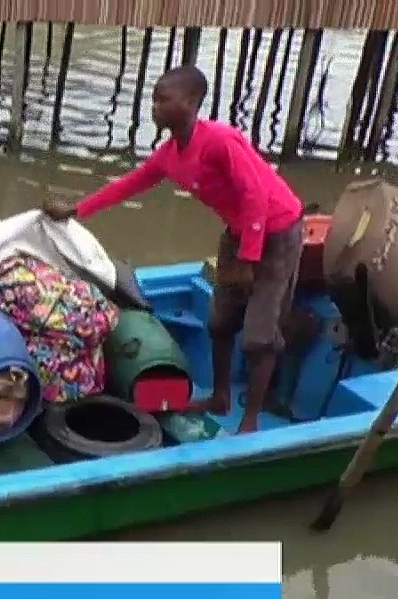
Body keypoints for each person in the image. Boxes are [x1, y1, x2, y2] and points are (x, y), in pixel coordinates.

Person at [40, 65, 304, 434]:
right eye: (154, 98)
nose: (155, 107)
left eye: (164, 99)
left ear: (191, 102)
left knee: (259, 337)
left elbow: (255, 196)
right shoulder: (171, 154)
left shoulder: (221, 141)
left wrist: (249, 258)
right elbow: (131, 184)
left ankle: (251, 419)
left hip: (276, 232)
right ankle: (221, 397)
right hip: (238, 231)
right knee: (219, 321)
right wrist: (78, 209)